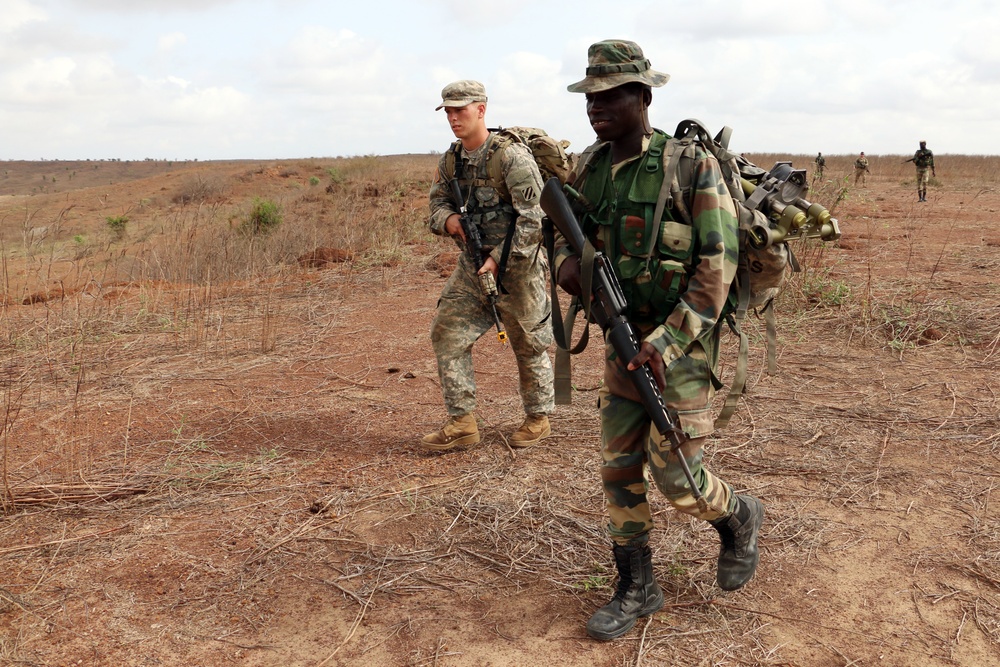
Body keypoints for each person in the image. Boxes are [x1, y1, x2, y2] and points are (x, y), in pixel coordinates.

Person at [552, 40, 764, 642]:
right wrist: (567, 265)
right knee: (619, 470)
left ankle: (738, 515)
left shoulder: (687, 165)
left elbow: (716, 267)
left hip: (681, 348)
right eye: (590, 97)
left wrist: (666, 344)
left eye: (611, 95)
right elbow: (563, 235)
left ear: (643, 97)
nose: (597, 107)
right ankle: (637, 587)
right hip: (623, 340)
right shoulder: (590, 168)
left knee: (677, 475)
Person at [423, 80, 555, 452]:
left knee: (528, 343)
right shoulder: (451, 161)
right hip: (472, 264)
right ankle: (462, 422)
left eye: (459, 109)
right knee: (447, 332)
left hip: (519, 265)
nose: (452, 117)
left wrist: (499, 259)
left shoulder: (511, 157)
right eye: (447, 110)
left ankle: (537, 417)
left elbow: (535, 217)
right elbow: (436, 204)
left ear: (481, 109)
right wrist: (448, 221)